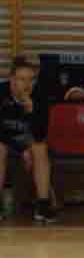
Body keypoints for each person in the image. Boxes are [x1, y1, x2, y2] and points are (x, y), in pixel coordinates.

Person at [0, 56, 56, 223]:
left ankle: (43, 205)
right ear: (12, 80)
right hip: (6, 140)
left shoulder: (40, 96)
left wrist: (31, 110)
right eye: (22, 79)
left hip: (30, 141)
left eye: (31, 79)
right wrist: (22, 148)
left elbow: (40, 134)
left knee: (40, 148)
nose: (27, 84)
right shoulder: (1, 93)